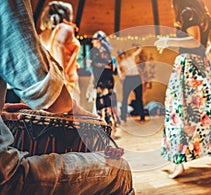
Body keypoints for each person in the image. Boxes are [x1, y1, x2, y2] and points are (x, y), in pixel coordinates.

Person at [0, 1, 134, 194]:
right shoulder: (65, 30)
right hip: (5, 175)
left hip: (56, 90)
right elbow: (45, 84)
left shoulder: (47, 33)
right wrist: (66, 97)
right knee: (119, 170)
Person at [155, 0, 211, 179]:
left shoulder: (187, 12)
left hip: (187, 66)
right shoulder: (205, 16)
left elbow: (194, 41)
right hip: (201, 65)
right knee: (206, 111)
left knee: (178, 112)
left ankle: (178, 162)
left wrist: (168, 39)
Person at [39, 1, 81, 103]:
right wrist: (63, 77)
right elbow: (58, 45)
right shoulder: (66, 28)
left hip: (49, 83)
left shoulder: (42, 35)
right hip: (67, 83)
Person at [87, 30, 119, 137]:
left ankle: (108, 128)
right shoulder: (96, 51)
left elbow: (110, 67)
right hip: (100, 81)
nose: (92, 41)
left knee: (105, 104)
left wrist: (95, 63)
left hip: (105, 81)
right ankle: (106, 128)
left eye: (94, 39)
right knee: (102, 104)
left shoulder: (103, 51)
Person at [118, 47, 145, 122]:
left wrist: (139, 48)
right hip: (128, 79)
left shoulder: (131, 57)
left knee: (139, 97)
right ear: (120, 56)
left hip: (136, 78)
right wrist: (122, 79)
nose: (122, 56)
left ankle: (142, 116)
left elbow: (137, 52)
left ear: (125, 54)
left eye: (123, 54)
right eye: (121, 55)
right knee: (125, 98)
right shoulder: (121, 63)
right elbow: (120, 72)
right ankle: (123, 117)